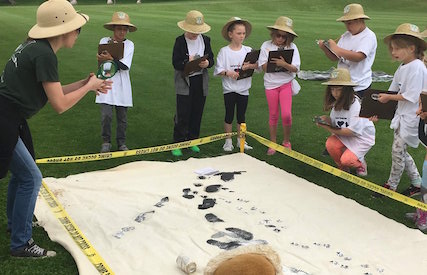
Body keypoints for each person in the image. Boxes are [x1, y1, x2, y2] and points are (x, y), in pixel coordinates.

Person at [0, 0, 111, 258]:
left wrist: (85, 83)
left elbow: (53, 93)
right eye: (76, 29)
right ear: (62, 30)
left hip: (10, 115)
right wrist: (89, 88)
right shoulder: (44, 54)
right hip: (5, 117)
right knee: (31, 177)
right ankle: (20, 243)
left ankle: (15, 225)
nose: (77, 33)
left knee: (22, 175)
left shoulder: (36, 48)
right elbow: (60, 105)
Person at [371, 23, 427, 198]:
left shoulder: (417, 67)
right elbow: (392, 91)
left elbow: (410, 95)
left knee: (397, 151)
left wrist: (388, 98)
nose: (393, 52)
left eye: (397, 48)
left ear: (411, 48)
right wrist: (376, 110)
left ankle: (391, 186)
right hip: (401, 116)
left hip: (412, 117)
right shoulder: (402, 66)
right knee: (400, 151)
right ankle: (417, 183)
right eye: (392, 48)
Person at [315, 68, 375, 175]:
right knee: (330, 144)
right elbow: (336, 122)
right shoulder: (337, 102)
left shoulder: (355, 106)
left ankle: (360, 163)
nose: (335, 93)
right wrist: (326, 120)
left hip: (361, 137)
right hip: (346, 134)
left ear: (347, 89)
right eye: (333, 89)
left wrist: (328, 127)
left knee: (347, 160)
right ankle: (342, 166)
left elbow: (351, 131)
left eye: (339, 89)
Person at [171, 10, 214, 157]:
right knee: (183, 112)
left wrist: (207, 63)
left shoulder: (205, 40)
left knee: (197, 111)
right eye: (192, 31)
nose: (195, 34)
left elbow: (211, 59)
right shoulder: (180, 41)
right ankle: (178, 142)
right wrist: (187, 62)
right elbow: (175, 62)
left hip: (200, 81)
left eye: (197, 31)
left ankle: (193, 140)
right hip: (185, 80)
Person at [258, 16, 301, 155]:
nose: (280, 39)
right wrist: (273, 61)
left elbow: (296, 68)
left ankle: (286, 141)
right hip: (270, 85)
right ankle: (273, 142)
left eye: (284, 36)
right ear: (273, 33)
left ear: (289, 37)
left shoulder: (292, 47)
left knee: (287, 115)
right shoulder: (266, 45)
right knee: (274, 114)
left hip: (285, 83)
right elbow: (263, 67)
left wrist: (284, 65)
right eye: (278, 35)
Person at [214, 17, 258, 152]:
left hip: (243, 89)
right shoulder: (224, 51)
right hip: (229, 88)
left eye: (243, 33)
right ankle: (228, 141)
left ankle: (241, 140)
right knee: (229, 115)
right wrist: (229, 73)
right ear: (230, 34)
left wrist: (250, 66)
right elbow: (218, 69)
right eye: (239, 33)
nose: (242, 36)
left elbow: (257, 68)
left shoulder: (248, 50)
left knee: (241, 116)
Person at [96, 12, 137, 153]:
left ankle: (121, 142)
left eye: (125, 29)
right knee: (106, 115)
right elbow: (100, 63)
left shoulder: (129, 45)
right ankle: (106, 142)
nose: (122, 32)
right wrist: (104, 59)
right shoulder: (104, 41)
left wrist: (110, 58)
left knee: (122, 117)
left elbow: (125, 66)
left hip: (122, 84)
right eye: (119, 28)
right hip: (106, 81)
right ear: (113, 29)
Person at [318, 3, 377, 99]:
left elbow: (358, 57)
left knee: (355, 112)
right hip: (342, 83)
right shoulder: (346, 35)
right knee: (340, 112)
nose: (347, 26)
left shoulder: (369, 36)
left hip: (359, 85)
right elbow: (335, 57)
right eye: (345, 23)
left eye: (349, 23)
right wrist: (325, 48)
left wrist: (335, 48)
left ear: (360, 20)